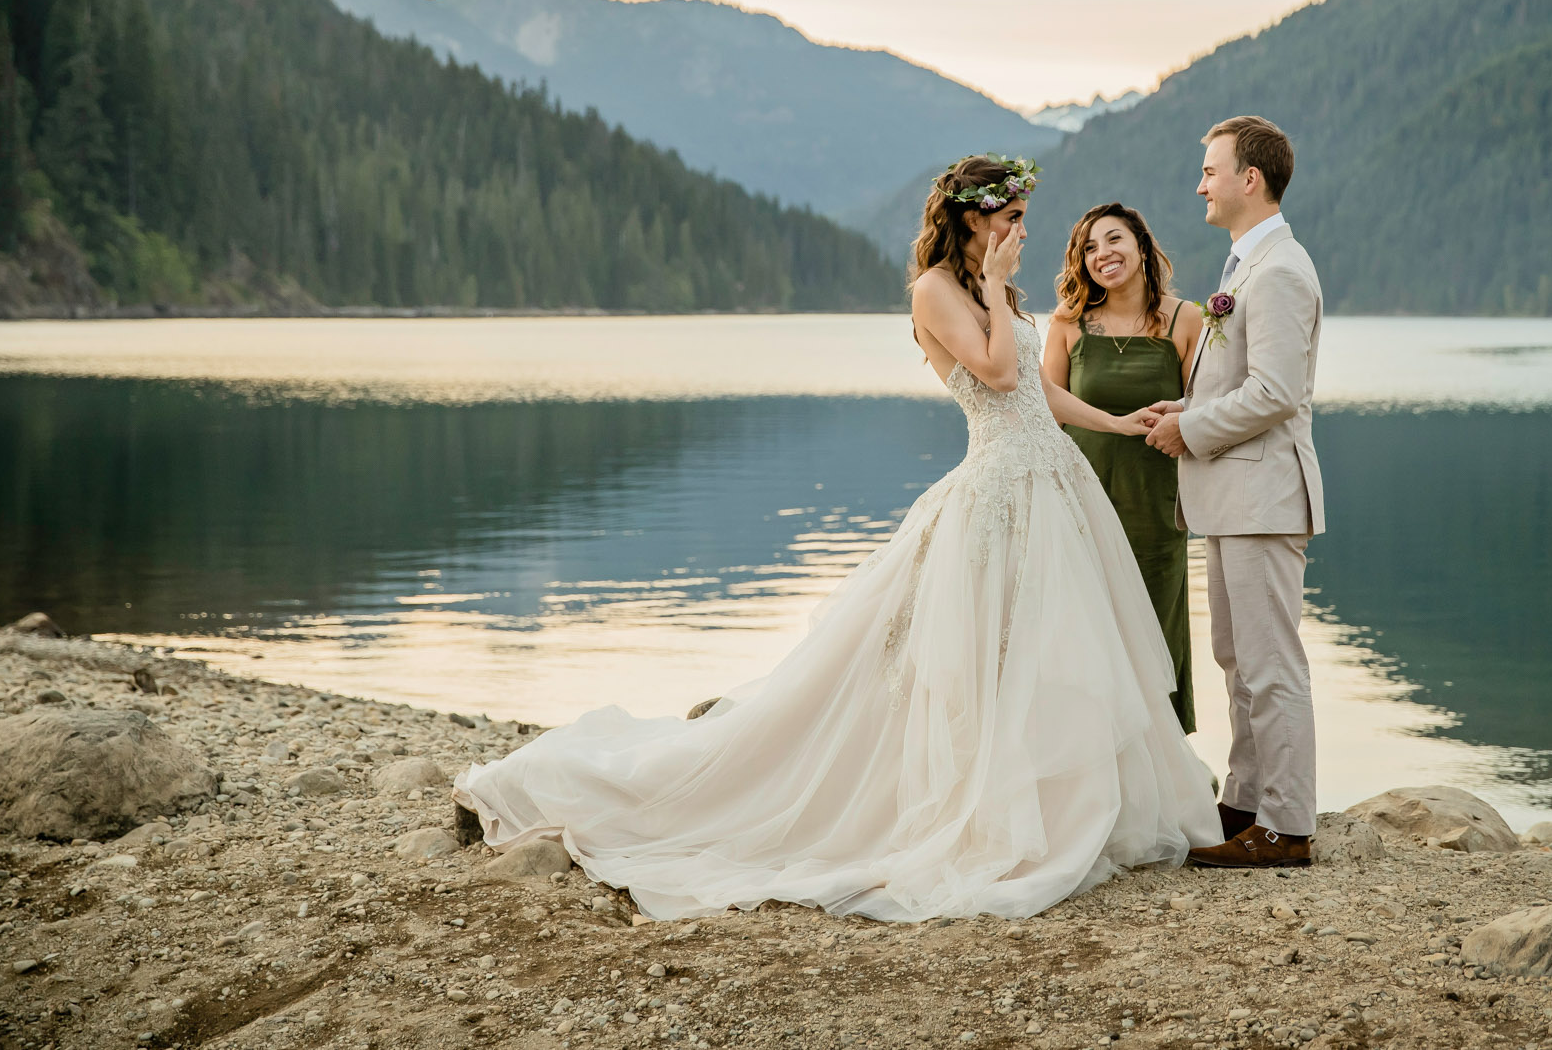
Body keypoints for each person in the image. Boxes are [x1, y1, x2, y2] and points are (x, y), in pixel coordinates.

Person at [453, 153, 1220, 920]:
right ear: (972, 217)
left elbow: (1040, 388)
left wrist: (1112, 420)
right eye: (1009, 216)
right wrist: (991, 280)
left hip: (1051, 488)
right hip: (995, 494)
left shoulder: (1001, 289)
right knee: (974, 659)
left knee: (1043, 657)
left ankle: (1057, 799)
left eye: (1021, 216)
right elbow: (993, 374)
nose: (1022, 229)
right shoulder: (937, 290)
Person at [1140, 116, 1325, 870]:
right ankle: (1246, 801)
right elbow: (1240, 383)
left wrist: (1194, 432)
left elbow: (1278, 392)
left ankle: (1288, 824)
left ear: (1251, 179)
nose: (1201, 184)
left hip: (1263, 496)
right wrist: (1187, 409)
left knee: (1271, 663)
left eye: (1212, 171)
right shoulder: (1245, 266)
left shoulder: (1279, 270)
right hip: (1235, 498)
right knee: (1237, 658)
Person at [1042, 203, 1202, 732]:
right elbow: (1045, 413)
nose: (1101, 254)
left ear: (1140, 245)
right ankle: (1090, 769)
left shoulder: (1187, 319)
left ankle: (1163, 775)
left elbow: (1207, 405)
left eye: (1113, 240)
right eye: (1089, 247)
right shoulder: (1068, 322)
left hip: (1156, 507)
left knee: (1154, 632)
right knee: (1086, 635)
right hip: (1084, 504)